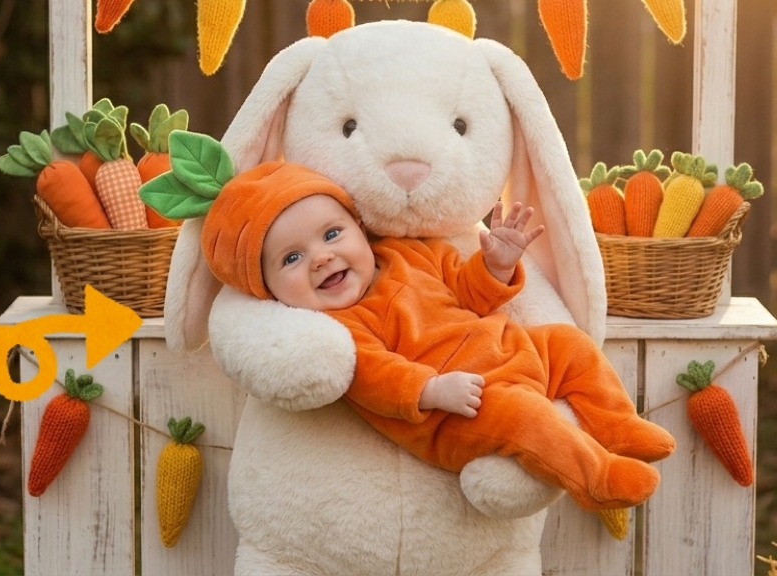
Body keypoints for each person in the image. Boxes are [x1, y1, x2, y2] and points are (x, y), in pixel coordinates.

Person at [198, 161, 675, 512]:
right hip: (456, 409)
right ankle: (594, 478)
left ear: (360, 229)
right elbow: (374, 376)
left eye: (330, 234)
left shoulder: (410, 254)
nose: (321, 258)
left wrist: (497, 264)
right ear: (269, 291)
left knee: (570, 345)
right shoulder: (336, 327)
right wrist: (429, 389)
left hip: (511, 351)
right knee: (527, 416)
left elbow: (469, 291)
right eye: (291, 259)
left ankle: (617, 425)